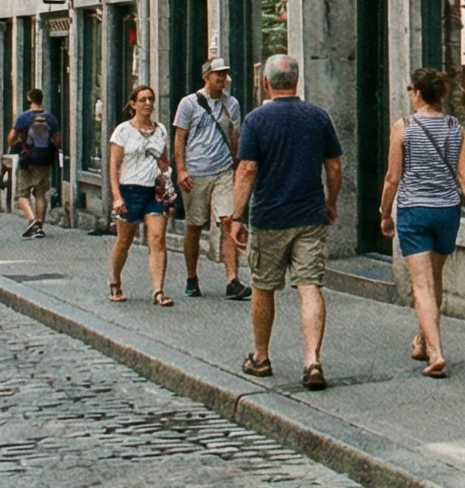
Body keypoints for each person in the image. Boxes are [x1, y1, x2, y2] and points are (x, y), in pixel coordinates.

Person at [229, 55, 343, 390]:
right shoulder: (318, 117)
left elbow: (247, 170)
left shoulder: (256, 120)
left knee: (264, 287)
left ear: (266, 83)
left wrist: (237, 216)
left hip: (269, 217)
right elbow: (334, 166)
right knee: (309, 286)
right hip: (309, 215)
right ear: (297, 81)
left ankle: (261, 357)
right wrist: (331, 202)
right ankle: (312, 360)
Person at [378, 69, 465, 378]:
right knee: (434, 279)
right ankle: (423, 341)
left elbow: (392, 177)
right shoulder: (455, 128)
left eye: (411, 89)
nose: (411, 94)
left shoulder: (404, 127)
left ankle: (436, 354)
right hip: (447, 211)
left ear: (419, 94)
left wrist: (385, 212)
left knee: (421, 285)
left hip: (415, 211)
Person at [172, 59, 251, 301]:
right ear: (206, 77)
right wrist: (181, 170)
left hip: (223, 170)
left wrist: (237, 164)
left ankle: (232, 280)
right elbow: (180, 138)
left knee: (227, 220)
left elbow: (235, 135)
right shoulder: (189, 103)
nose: (222, 78)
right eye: (218, 74)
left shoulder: (232, 103)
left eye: (225, 74)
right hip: (196, 172)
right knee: (195, 226)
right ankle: (192, 277)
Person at [107, 84, 173, 305]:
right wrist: (117, 196)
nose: (148, 103)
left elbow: (164, 161)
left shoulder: (160, 130)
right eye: (143, 99)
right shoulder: (123, 131)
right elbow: (114, 166)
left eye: (151, 99)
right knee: (124, 241)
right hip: (130, 189)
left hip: (154, 191)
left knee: (157, 239)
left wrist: (167, 183)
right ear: (133, 104)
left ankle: (158, 291)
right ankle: (115, 280)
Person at [9, 90, 58, 239]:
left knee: (21, 194)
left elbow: (11, 138)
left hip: (28, 160)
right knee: (40, 194)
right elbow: (58, 141)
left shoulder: (24, 117)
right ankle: (40, 227)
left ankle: (32, 220)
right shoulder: (51, 118)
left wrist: (18, 145)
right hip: (45, 160)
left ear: (29, 99)